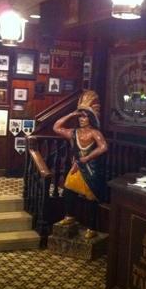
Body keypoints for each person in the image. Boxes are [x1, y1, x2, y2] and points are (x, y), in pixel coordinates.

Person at [53, 90, 108, 239]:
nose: (82, 119)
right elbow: (56, 127)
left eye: (85, 116)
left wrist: (87, 158)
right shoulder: (74, 132)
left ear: (91, 118)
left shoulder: (95, 133)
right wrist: (72, 114)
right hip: (77, 167)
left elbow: (103, 147)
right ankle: (69, 216)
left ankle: (92, 227)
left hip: (90, 169)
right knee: (68, 189)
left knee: (91, 198)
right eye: (80, 116)